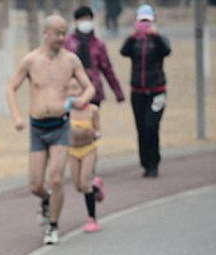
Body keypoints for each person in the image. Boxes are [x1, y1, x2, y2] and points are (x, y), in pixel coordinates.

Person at [5, 15, 95, 245]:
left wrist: (80, 100)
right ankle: (46, 201)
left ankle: (53, 226)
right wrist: (16, 116)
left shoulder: (71, 60)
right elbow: (11, 88)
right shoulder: (31, 60)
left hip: (60, 127)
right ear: (46, 34)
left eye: (64, 33)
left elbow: (89, 87)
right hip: (37, 128)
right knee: (36, 185)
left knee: (55, 179)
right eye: (57, 33)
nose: (62, 38)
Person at [120, 4, 171, 178]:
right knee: (141, 127)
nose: (144, 25)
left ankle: (154, 162)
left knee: (151, 126)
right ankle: (145, 163)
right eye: (142, 21)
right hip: (138, 92)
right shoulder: (134, 40)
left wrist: (156, 36)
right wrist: (131, 36)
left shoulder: (159, 39)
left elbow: (166, 51)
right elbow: (123, 52)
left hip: (157, 91)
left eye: (147, 21)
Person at [64, 5, 125, 108]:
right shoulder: (68, 43)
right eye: (81, 19)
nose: (85, 22)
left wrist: (117, 92)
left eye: (87, 19)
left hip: (94, 91)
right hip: (71, 92)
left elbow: (107, 69)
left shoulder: (98, 44)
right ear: (76, 21)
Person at [67, 77, 106, 233]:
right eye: (69, 88)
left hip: (89, 148)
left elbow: (98, 129)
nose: (72, 92)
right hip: (72, 150)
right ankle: (95, 188)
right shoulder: (66, 110)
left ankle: (92, 219)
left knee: (84, 182)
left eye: (76, 88)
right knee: (78, 186)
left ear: (84, 90)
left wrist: (94, 133)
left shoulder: (92, 110)